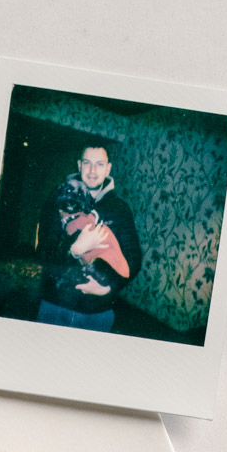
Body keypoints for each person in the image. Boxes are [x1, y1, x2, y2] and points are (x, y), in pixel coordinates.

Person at [35, 142, 141, 331]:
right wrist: (74, 250)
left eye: (99, 164)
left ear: (108, 168)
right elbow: (43, 249)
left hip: (98, 312)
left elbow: (134, 257)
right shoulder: (57, 199)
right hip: (56, 305)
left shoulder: (121, 209)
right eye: (87, 163)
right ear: (79, 165)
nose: (92, 170)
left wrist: (109, 287)